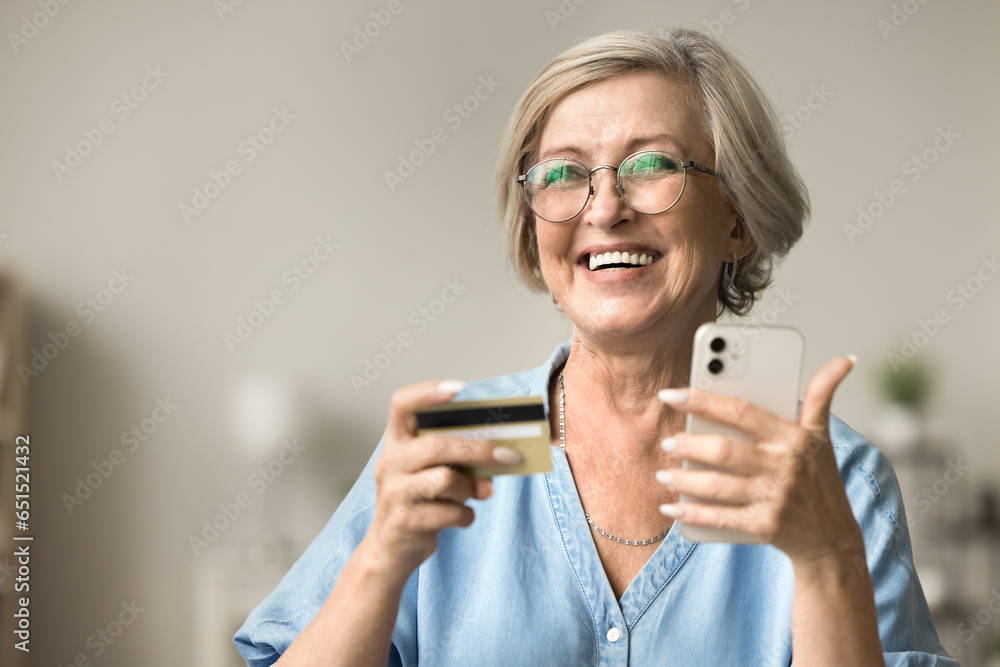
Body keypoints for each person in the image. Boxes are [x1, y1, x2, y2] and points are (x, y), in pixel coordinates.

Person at [235, 27, 955, 666]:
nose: (604, 207)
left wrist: (828, 560)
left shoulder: (839, 479)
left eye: (650, 166)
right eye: (564, 174)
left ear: (737, 218)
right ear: (532, 225)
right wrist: (379, 561)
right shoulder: (456, 447)